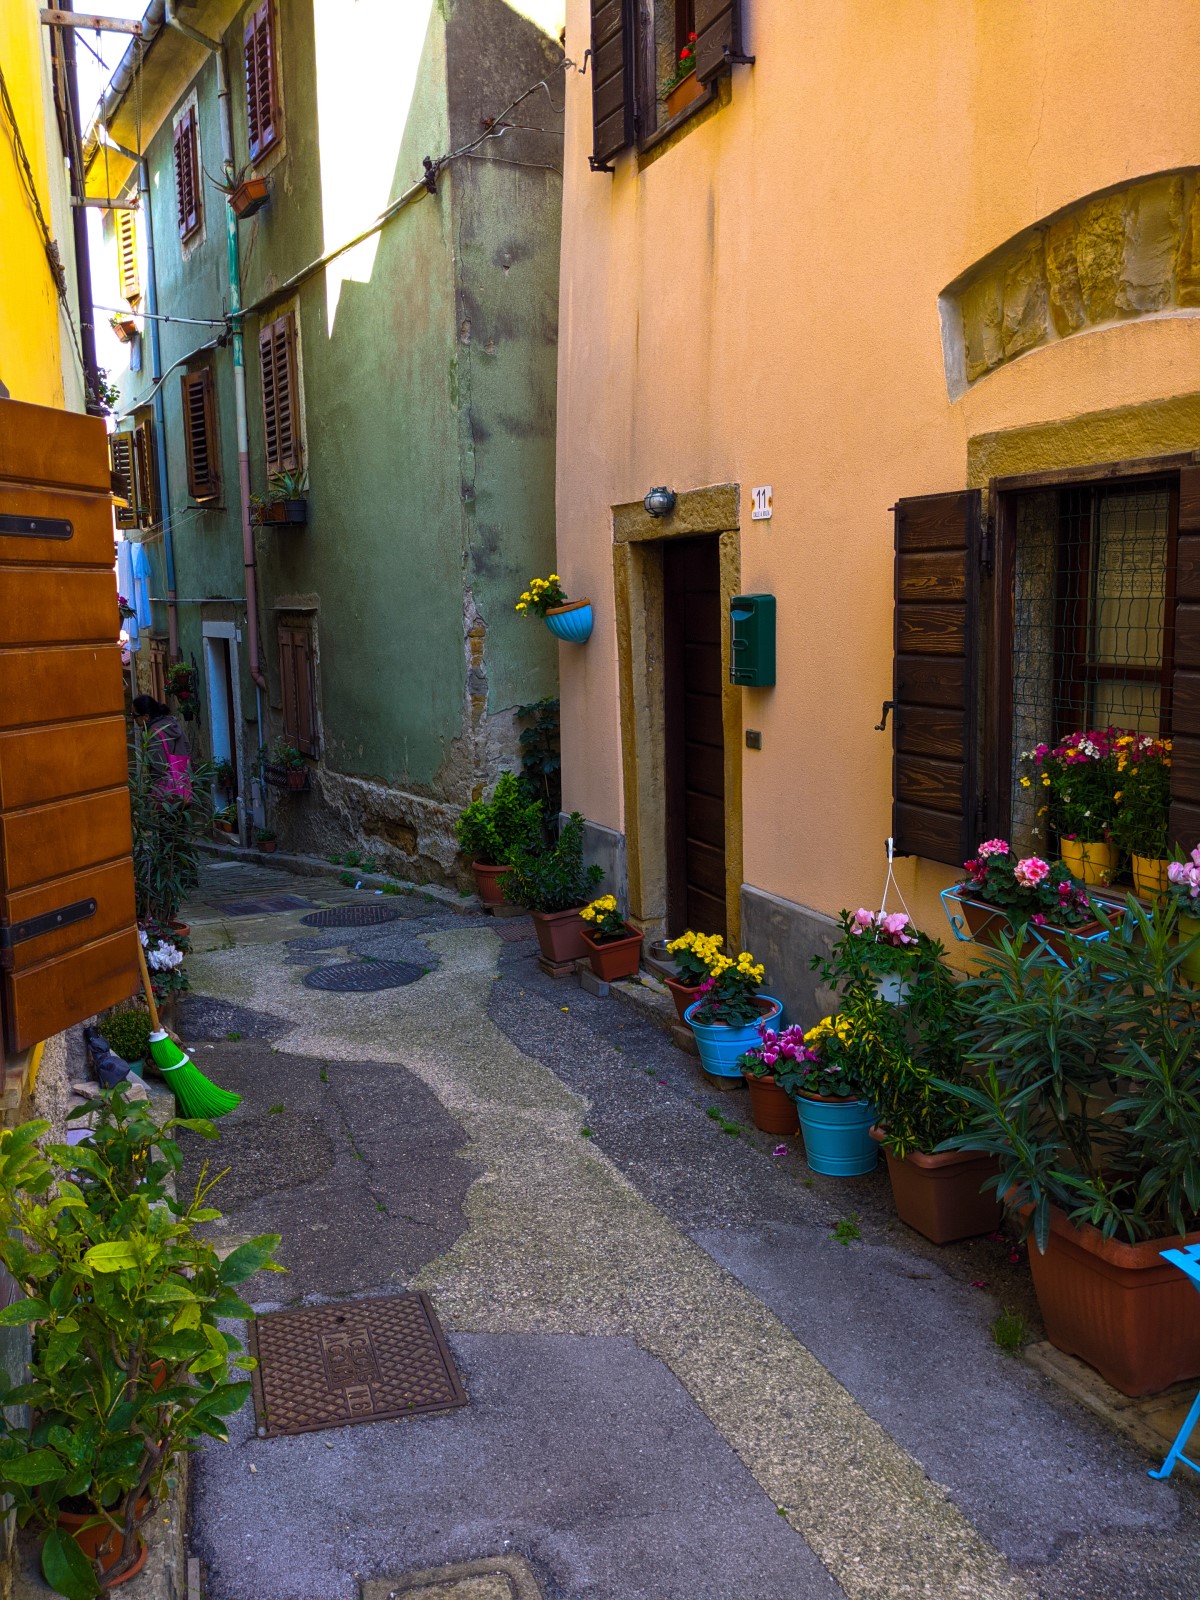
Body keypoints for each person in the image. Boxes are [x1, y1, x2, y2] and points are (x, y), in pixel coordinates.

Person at [132, 695, 191, 783]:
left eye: (134, 715)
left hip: (166, 789)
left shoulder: (154, 734)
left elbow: (158, 769)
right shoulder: (172, 723)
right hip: (183, 781)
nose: (133, 719)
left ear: (146, 717)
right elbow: (188, 748)